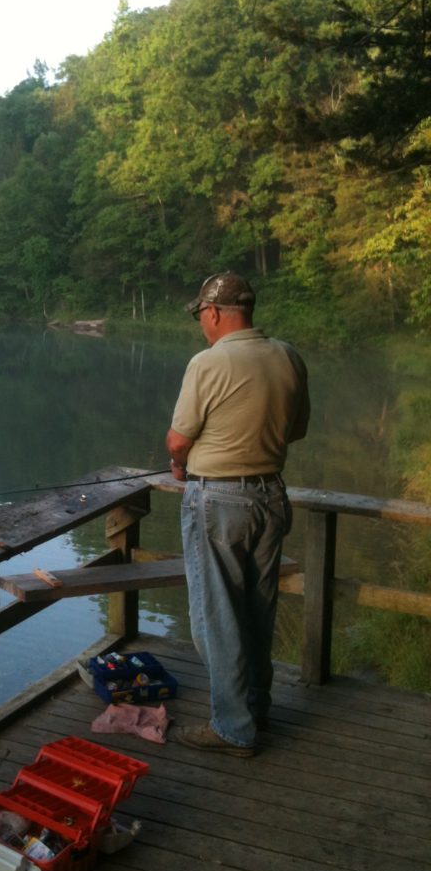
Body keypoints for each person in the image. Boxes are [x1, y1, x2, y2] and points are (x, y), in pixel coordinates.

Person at [166, 271, 310, 757]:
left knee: (216, 616)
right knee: (256, 609)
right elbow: (297, 430)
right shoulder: (287, 355)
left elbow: (178, 440)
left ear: (212, 313)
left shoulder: (208, 362)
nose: (201, 325)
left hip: (218, 501)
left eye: (201, 317)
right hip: (271, 496)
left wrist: (180, 463)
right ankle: (255, 707)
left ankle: (232, 728)